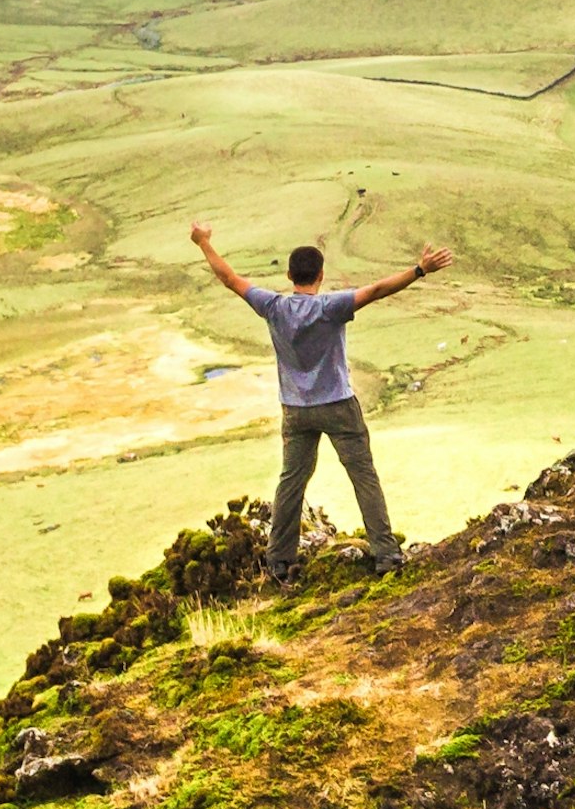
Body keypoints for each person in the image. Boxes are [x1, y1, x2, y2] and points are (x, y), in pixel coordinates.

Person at [191, 224, 452, 585]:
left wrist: (203, 242)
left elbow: (229, 278)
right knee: (363, 476)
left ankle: (279, 561)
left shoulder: (273, 306)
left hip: (295, 410)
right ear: (321, 275)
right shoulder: (331, 307)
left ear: (289, 275)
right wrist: (420, 270)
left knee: (291, 482)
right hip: (339, 405)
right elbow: (377, 291)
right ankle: (387, 556)